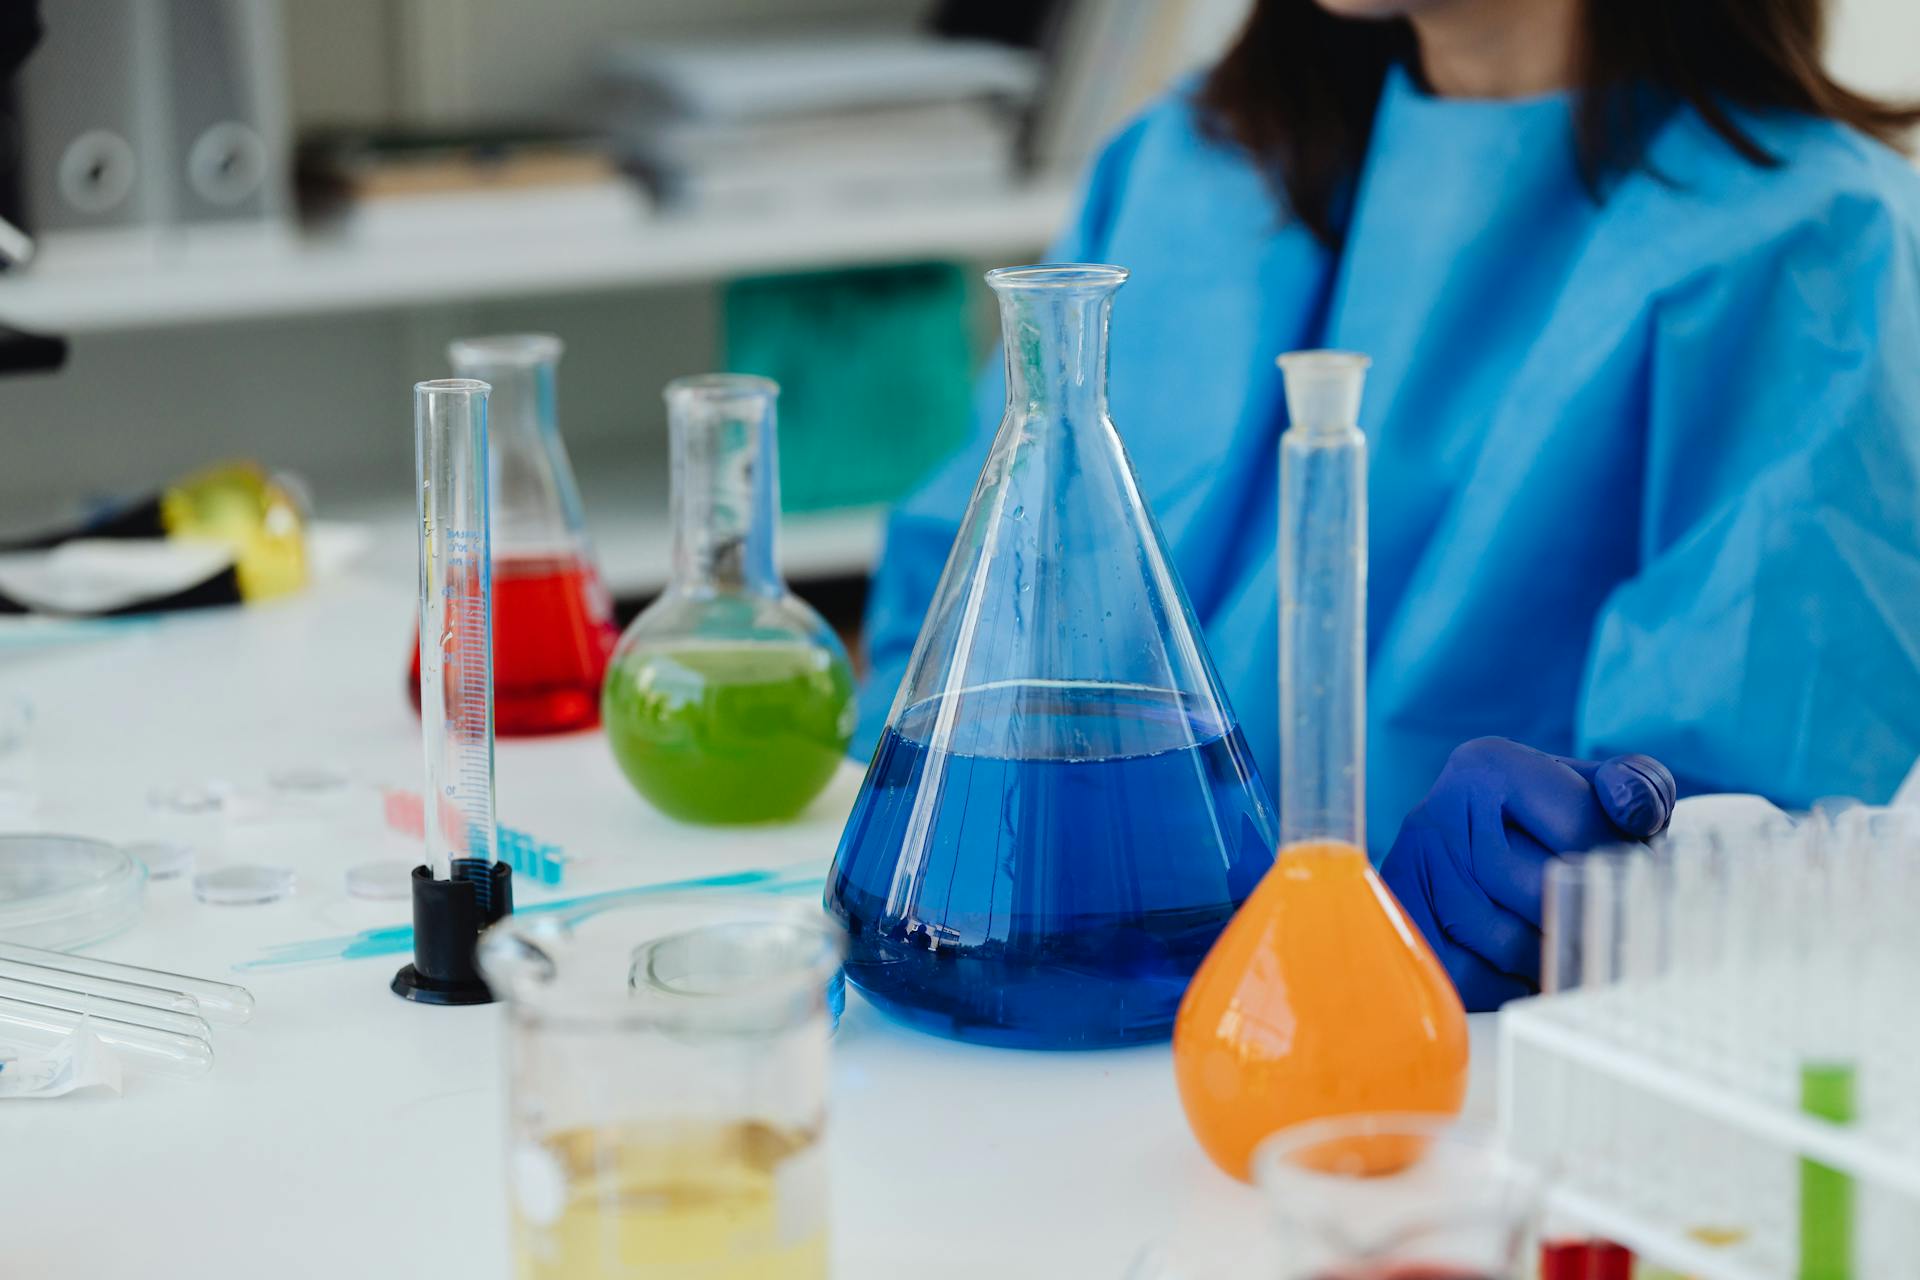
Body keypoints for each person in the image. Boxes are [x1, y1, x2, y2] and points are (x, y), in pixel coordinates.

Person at [855, 0, 1920, 1009]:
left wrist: (1567, 886)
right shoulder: (1190, 162)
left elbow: (1765, 859)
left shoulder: (1818, 243)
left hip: (1439, 1103)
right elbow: (934, 623)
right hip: (1023, 1020)